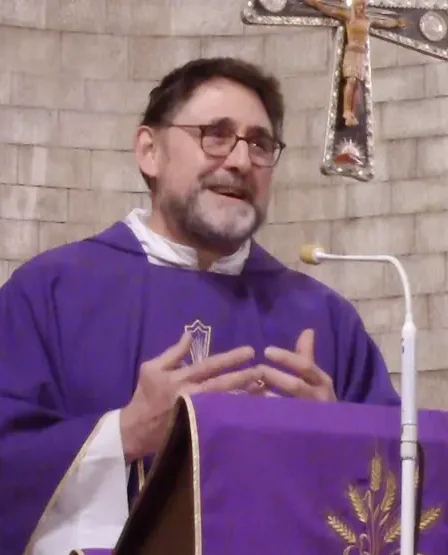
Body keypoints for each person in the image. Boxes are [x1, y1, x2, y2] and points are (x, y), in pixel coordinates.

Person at [0, 57, 399, 555]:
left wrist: (337, 442)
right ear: (150, 151)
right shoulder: (51, 293)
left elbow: (405, 490)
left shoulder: (323, 318)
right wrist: (123, 434)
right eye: (216, 135)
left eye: (260, 144)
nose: (241, 160)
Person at [305, 0, 406, 126]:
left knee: (357, 84)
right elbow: (330, 10)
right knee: (351, 80)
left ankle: (353, 113)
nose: (362, 8)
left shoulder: (368, 19)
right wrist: (316, 4)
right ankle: (346, 111)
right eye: (359, 5)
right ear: (354, 6)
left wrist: (397, 22)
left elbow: (384, 22)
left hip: (361, 54)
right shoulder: (348, 17)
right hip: (352, 52)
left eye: (363, 5)